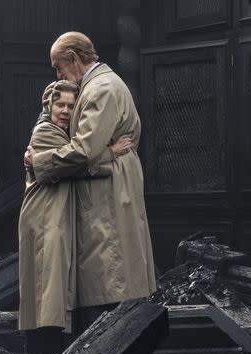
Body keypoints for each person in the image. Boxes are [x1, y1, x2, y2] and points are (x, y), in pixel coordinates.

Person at [25, 31, 157, 330]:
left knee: (108, 270)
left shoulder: (100, 89)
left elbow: (84, 151)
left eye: (59, 67)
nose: (58, 74)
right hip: (109, 180)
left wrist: (40, 162)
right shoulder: (99, 85)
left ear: (73, 58)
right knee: (110, 269)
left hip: (107, 186)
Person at [18, 79, 133, 354]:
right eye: (60, 104)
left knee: (54, 286)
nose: (66, 110)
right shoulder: (45, 132)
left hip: (56, 215)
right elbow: (76, 161)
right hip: (44, 216)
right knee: (47, 285)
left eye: (71, 105)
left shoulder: (64, 132)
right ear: (49, 105)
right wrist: (110, 152)